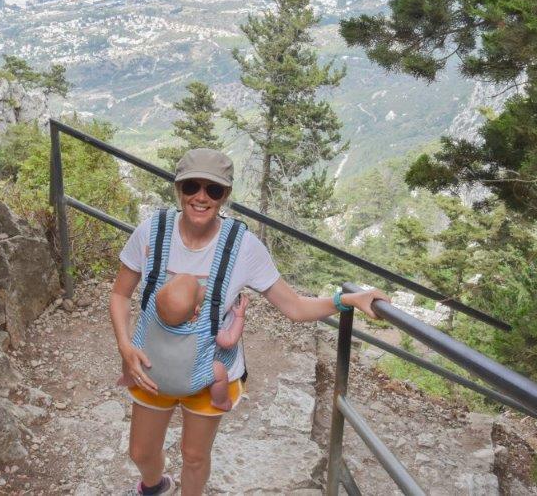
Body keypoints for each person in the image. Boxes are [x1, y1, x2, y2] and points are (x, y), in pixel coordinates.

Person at [109, 148, 390, 496]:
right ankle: (155, 486)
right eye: (191, 186)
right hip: (152, 365)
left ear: (225, 195)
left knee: (194, 456)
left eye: (213, 190)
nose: (201, 197)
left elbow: (295, 307)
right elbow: (120, 294)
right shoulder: (152, 231)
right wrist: (125, 344)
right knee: (141, 451)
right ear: (178, 189)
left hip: (210, 370)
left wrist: (346, 300)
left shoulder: (244, 248)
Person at [116, 272, 250, 412]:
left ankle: (128, 378)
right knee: (219, 371)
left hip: (148, 375)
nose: (203, 287)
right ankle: (220, 401)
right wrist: (239, 316)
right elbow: (229, 341)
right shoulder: (205, 325)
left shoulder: (151, 315)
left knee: (130, 350)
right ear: (196, 311)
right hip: (187, 385)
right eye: (199, 288)